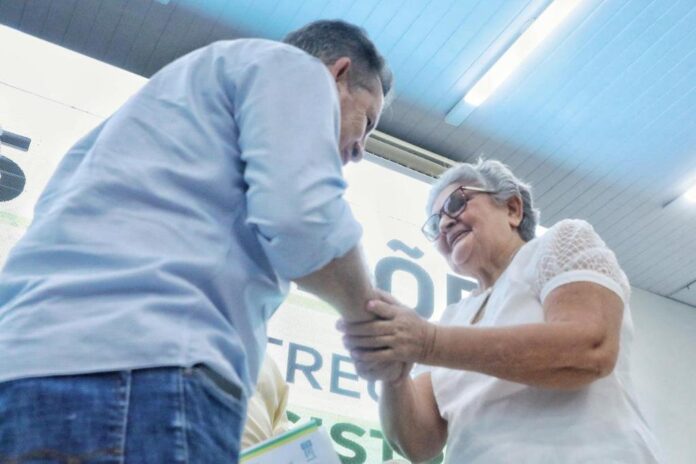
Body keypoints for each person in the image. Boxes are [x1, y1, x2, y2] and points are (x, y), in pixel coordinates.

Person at [0, 20, 399, 463]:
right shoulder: (296, 70)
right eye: (367, 123)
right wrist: (373, 321)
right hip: (145, 374)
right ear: (338, 73)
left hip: (22, 377)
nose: (360, 150)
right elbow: (304, 219)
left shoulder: (121, 135)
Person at [339, 159, 661, 463]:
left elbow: (590, 348)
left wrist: (428, 343)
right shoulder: (451, 318)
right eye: (436, 224)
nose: (447, 223)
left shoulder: (559, 243)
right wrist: (392, 373)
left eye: (456, 203)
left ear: (512, 208)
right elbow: (419, 443)